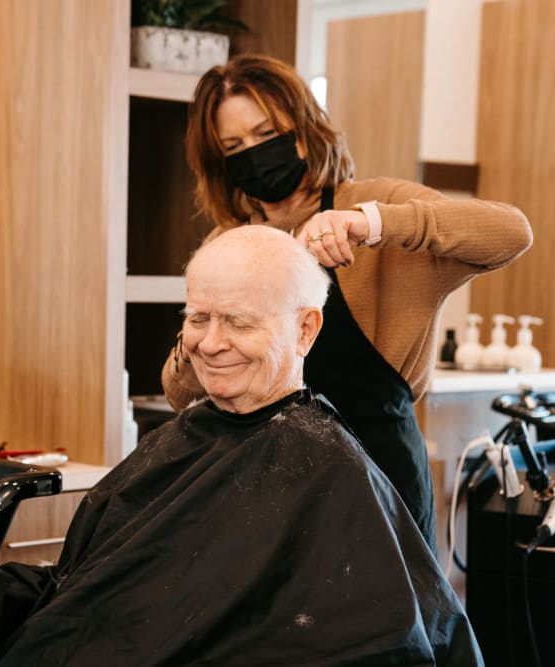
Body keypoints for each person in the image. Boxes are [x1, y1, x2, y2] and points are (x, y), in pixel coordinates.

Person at [0, 226, 482, 666]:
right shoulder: (180, 441)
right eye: (197, 316)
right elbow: (78, 591)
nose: (209, 342)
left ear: (305, 328)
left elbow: (390, 639)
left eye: (239, 322)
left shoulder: (331, 474)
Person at [162, 54, 534, 551]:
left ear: (305, 128)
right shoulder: (229, 240)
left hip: (376, 478)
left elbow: (511, 231)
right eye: (234, 146)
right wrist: (205, 334)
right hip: (261, 480)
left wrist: (371, 225)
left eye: (266, 132)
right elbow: (180, 393)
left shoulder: (376, 205)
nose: (253, 153)